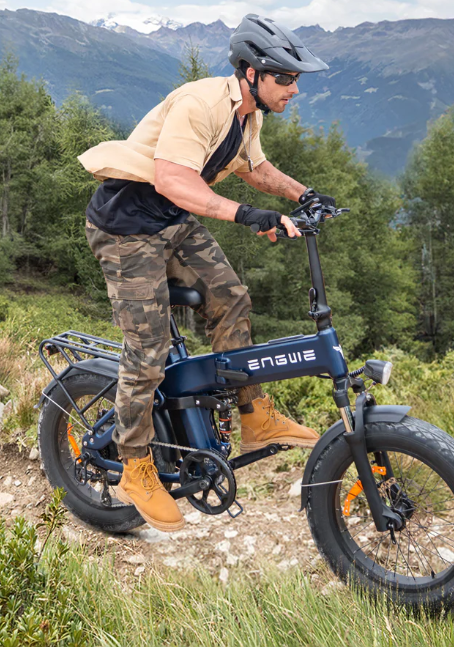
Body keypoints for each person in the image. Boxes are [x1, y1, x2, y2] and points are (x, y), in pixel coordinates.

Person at [78, 14, 334, 532]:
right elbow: (173, 180)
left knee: (231, 298)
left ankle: (254, 416)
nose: (294, 88)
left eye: (295, 78)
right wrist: (247, 215)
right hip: (127, 228)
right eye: (285, 78)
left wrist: (303, 194)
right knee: (147, 349)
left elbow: (254, 168)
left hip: (172, 222)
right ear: (251, 73)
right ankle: (134, 463)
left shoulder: (247, 114)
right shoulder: (201, 104)